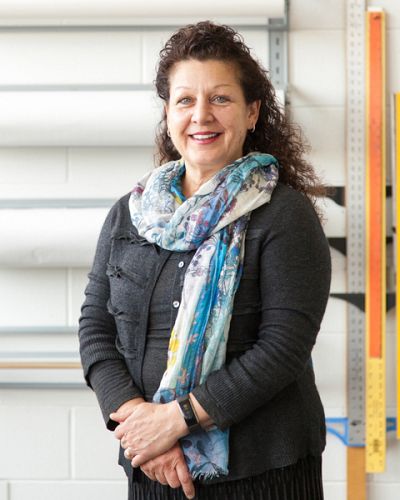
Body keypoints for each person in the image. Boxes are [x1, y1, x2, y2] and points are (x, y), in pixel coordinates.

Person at [79, 20, 331, 500]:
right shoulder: (129, 214)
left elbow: (282, 349)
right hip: (153, 467)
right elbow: (96, 329)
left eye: (220, 98)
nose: (201, 115)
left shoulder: (284, 215)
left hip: (264, 473)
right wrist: (140, 425)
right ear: (168, 113)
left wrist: (175, 421)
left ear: (252, 112)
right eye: (185, 100)